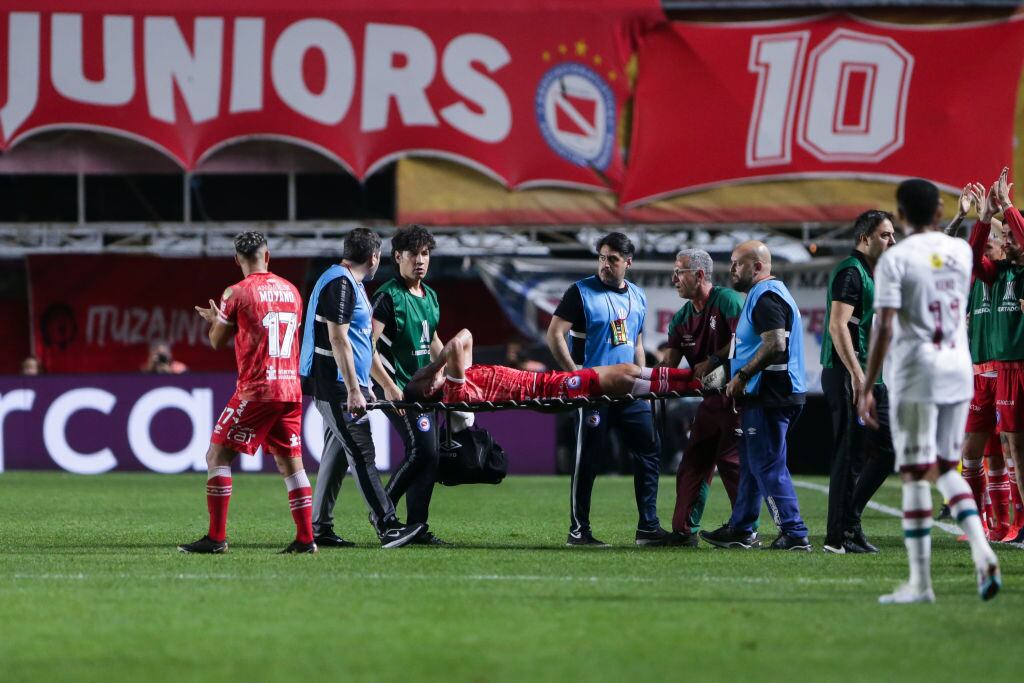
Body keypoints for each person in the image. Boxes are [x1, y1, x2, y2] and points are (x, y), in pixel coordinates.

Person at [857, 177, 1001, 604]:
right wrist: (982, 216)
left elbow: (883, 325)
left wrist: (867, 384)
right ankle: (982, 550)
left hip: (917, 372)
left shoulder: (895, 259)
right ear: (938, 211)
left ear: (899, 216)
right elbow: (965, 254)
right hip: (958, 368)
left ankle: (920, 583)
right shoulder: (957, 250)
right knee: (944, 467)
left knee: (917, 474)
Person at [178, 231, 314, 554]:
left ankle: (216, 538)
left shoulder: (235, 292)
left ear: (237, 259)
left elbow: (216, 341)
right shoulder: (293, 292)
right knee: (291, 463)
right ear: (267, 256)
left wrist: (216, 320)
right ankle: (307, 539)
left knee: (217, 455)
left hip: (258, 389)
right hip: (290, 389)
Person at [299, 228, 424, 549]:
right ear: (374, 257)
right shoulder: (341, 286)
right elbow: (339, 340)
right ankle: (387, 524)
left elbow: (357, 345)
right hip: (336, 386)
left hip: (342, 383)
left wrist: (385, 385)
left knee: (337, 454)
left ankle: (319, 528)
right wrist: (355, 390)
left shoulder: (344, 282)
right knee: (362, 450)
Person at [545, 232, 673, 547]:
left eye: (612, 259)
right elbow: (554, 334)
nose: (605, 264)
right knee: (588, 460)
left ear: (628, 262)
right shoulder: (580, 292)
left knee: (648, 454)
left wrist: (643, 383)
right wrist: (574, 375)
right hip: (593, 395)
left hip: (629, 394)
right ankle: (579, 531)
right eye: (602, 257)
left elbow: (638, 345)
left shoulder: (639, 296)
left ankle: (648, 528)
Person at [700, 240, 811, 551]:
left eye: (738, 263)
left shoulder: (766, 297)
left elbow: (775, 343)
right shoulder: (764, 295)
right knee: (751, 464)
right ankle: (742, 527)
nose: (732, 269)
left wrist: (743, 374)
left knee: (766, 465)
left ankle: (794, 532)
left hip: (769, 394)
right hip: (770, 394)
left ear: (758, 267)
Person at [819, 210, 897, 554]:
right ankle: (838, 538)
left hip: (869, 376)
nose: (891, 241)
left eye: (892, 234)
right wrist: (855, 374)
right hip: (848, 374)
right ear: (864, 238)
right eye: (884, 235)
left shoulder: (872, 272)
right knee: (848, 455)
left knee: (887, 449)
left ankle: (850, 519)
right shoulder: (851, 272)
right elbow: (838, 325)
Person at [369, 225, 448, 545]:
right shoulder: (388, 296)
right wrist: (387, 386)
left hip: (422, 389)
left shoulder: (430, 296)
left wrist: (450, 373)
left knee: (430, 455)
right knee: (423, 451)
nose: (420, 260)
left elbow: (433, 342)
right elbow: (366, 348)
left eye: (425, 254)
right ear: (397, 256)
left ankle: (417, 527)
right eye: (413, 254)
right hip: (397, 388)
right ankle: (382, 511)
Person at [659, 248, 742, 546]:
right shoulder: (681, 317)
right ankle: (684, 531)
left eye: (679, 272)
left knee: (731, 462)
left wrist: (714, 360)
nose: (674, 279)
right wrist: (643, 378)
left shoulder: (729, 301)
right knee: (692, 461)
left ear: (700, 275)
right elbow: (669, 363)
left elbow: (747, 343)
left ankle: (745, 529)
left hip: (737, 396)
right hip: (709, 401)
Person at [405, 329, 702, 404]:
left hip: (547, 383)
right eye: (424, 378)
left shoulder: (459, 377)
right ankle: (697, 383)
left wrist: (435, 369)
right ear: (430, 387)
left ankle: (695, 379)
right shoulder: (454, 393)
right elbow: (457, 345)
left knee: (626, 370)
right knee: (622, 377)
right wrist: (434, 367)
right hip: (545, 392)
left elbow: (466, 335)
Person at [966, 167, 1024, 543]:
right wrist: (985, 218)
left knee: (1014, 449)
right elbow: (971, 259)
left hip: (1015, 367)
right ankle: (1010, 524)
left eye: (1009, 236)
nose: (1008, 241)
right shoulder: (996, 275)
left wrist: (1009, 209)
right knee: (1010, 447)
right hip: (1003, 370)